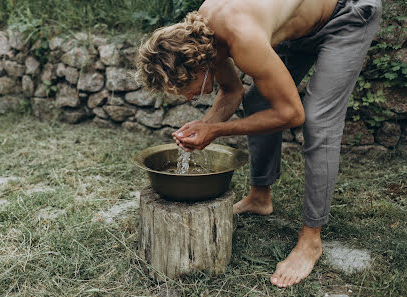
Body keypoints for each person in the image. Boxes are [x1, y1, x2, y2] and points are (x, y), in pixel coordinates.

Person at [136, 0, 382, 288]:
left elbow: (292, 114)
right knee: (257, 100)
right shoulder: (203, 33)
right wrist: (205, 126)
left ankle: (310, 240)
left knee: (318, 121)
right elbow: (232, 90)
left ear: (201, 66)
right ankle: (259, 198)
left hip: (346, 14)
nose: (187, 98)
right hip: (302, 27)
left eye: (183, 90)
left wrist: (216, 130)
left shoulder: (242, 36)